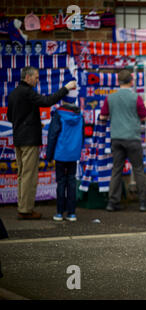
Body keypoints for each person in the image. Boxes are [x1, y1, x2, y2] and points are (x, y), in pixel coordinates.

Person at [7, 66, 77, 219]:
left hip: (18, 139)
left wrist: (33, 124)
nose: (38, 80)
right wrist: (65, 88)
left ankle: (22, 206)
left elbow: (11, 117)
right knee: (29, 176)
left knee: (21, 175)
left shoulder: (13, 93)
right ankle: (26, 210)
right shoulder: (28, 92)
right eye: (36, 77)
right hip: (29, 140)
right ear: (28, 77)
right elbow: (47, 101)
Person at [99, 69, 146, 212]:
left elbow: (103, 117)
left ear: (118, 82)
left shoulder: (110, 98)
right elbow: (144, 118)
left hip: (116, 138)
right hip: (132, 138)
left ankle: (112, 202)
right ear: (131, 81)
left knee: (116, 170)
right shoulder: (136, 98)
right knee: (138, 170)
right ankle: (143, 203)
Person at [46, 92, 83, 222]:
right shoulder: (79, 114)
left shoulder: (58, 114)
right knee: (71, 181)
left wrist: (49, 155)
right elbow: (82, 135)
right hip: (73, 154)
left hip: (61, 153)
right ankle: (72, 213)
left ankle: (59, 213)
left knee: (61, 182)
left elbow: (52, 135)